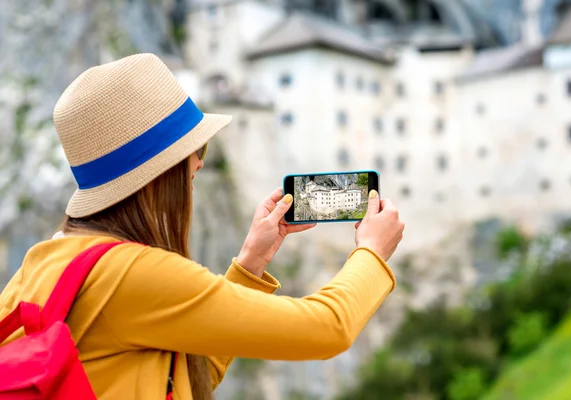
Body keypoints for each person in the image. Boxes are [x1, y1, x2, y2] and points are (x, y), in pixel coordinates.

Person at [0, 54, 405, 400]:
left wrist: (252, 263)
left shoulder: (41, 265)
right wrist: (371, 252)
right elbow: (326, 330)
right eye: (194, 149)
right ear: (160, 172)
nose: (200, 163)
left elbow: (184, 377)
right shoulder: (134, 274)